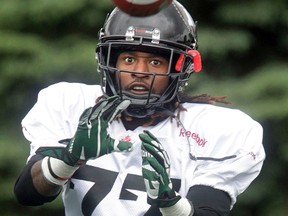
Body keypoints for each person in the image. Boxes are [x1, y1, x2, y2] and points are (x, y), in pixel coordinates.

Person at [14, 1, 265, 216]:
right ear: (109, 61)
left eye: (155, 61)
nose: (140, 73)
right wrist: (67, 161)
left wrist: (170, 205)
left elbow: (208, 210)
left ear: (180, 67)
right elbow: (28, 193)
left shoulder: (218, 129)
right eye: (129, 59)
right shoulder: (71, 105)